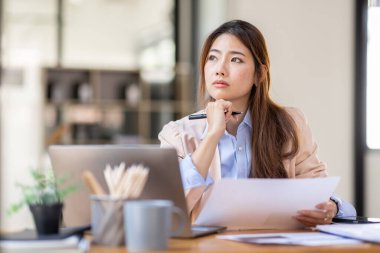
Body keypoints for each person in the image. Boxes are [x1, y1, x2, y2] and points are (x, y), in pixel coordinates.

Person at [158, 19, 356, 227]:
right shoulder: (177, 133)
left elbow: (318, 190)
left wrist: (331, 206)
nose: (220, 69)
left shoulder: (290, 125)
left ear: (259, 74)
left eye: (235, 60)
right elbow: (170, 210)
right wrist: (212, 135)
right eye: (213, 58)